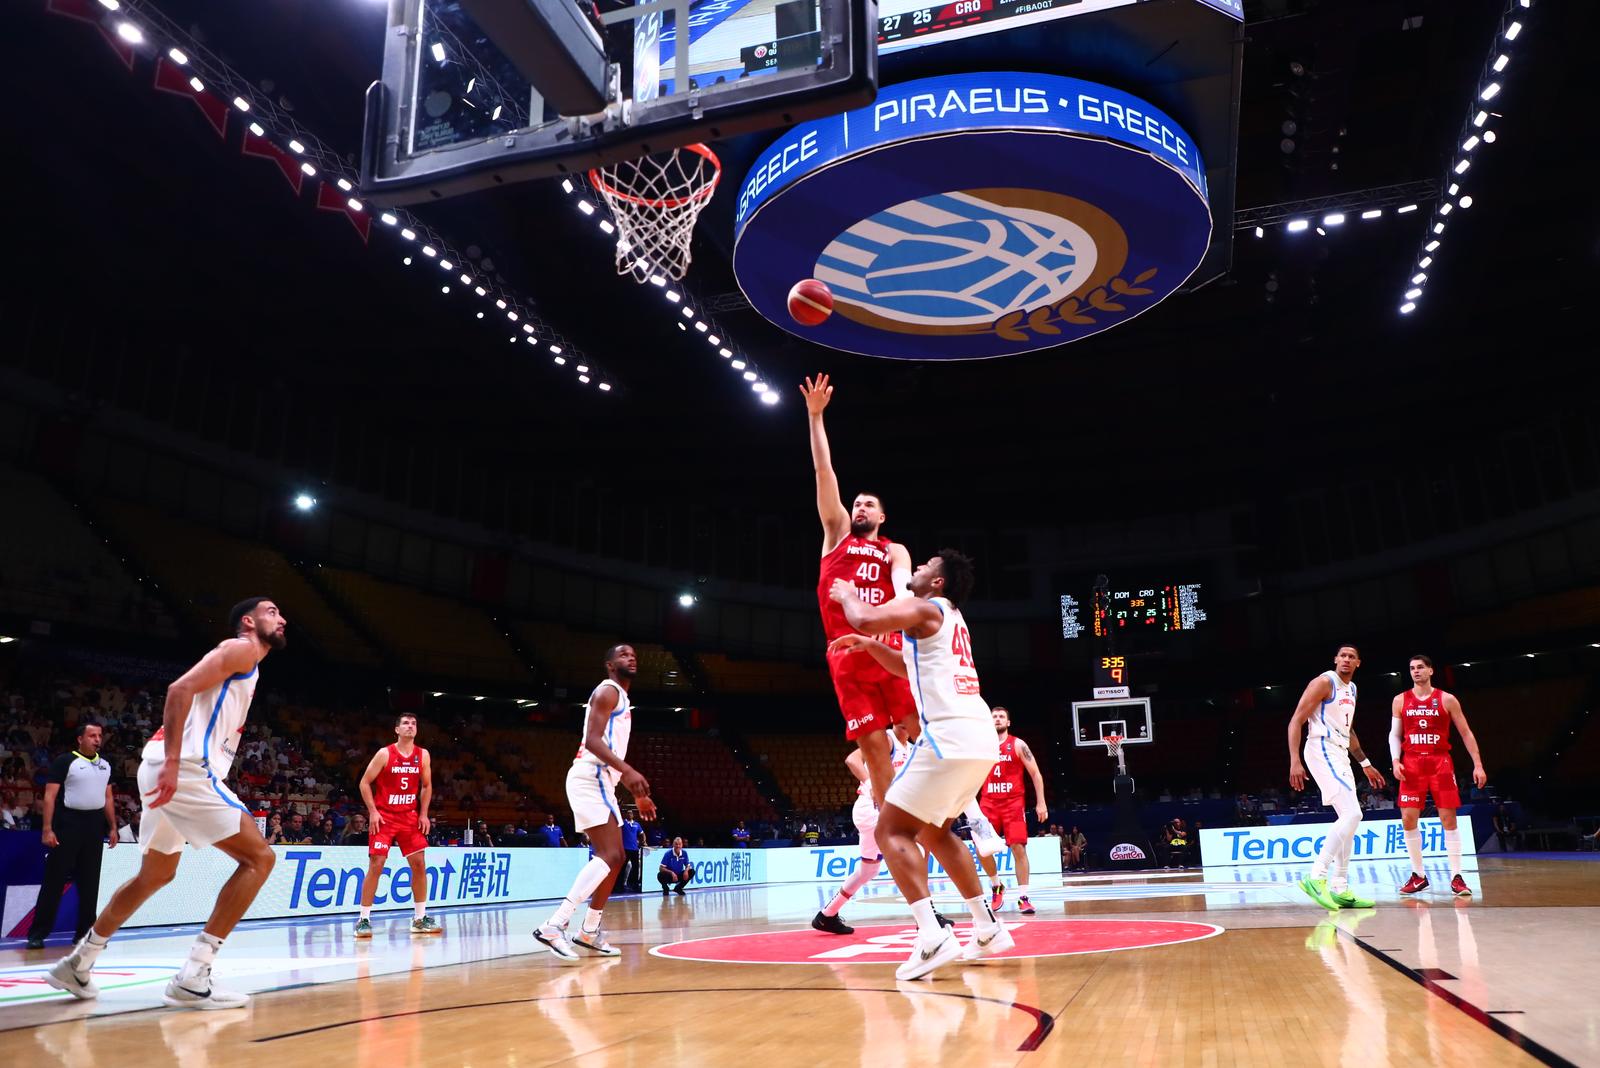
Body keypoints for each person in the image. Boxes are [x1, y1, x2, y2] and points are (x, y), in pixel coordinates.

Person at [48, 597, 286, 1009]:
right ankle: (194, 975)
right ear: (248, 622)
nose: (281, 619)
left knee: (155, 874)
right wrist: (176, 762)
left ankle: (80, 962)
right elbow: (179, 689)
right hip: (187, 769)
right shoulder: (241, 648)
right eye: (271, 612)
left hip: (162, 767)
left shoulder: (248, 664)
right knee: (259, 859)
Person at [828, 550, 1011, 980]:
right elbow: (907, 668)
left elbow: (866, 617)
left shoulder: (923, 606)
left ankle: (932, 935)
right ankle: (987, 927)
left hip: (948, 737)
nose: (919, 569)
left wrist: (850, 596)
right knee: (936, 831)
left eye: (928, 565)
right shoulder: (950, 619)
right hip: (979, 739)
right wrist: (871, 646)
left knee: (890, 828)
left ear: (938, 582)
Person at [801, 374, 917, 814]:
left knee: (921, 731)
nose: (860, 507)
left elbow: (905, 589)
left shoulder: (894, 549)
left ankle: (951, 813)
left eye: (869, 504)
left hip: (886, 648)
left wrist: (880, 614)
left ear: (883, 516)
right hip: (846, 654)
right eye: (857, 503)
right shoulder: (836, 536)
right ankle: (895, 828)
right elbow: (823, 472)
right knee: (873, 748)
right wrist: (816, 418)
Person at [535, 645, 655, 962]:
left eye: (633, 654)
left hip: (604, 782)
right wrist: (628, 772)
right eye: (624, 654)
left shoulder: (622, 697)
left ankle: (589, 930)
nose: (631, 657)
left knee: (615, 859)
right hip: (591, 776)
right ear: (610, 665)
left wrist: (637, 793)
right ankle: (555, 924)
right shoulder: (607, 690)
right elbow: (592, 740)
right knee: (611, 854)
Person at [1287, 644, 1387, 911]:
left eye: (1351, 657)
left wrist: (1364, 762)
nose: (1346, 659)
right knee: (1354, 815)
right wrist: (1295, 760)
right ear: (1335, 660)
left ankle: (1340, 887)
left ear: (1358, 663)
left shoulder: (1352, 689)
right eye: (1342, 655)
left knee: (1349, 819)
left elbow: (1349, 730)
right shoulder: (1323, 682)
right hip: (1320, 748)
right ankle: (1316, 876)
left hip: (1340, 753)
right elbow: (1296, 720)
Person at [1392, 655, 1487, 898]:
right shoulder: (1400, 700)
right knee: (1408, 818)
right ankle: (1419, 876)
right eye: (1412, 668)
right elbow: (1394, 735)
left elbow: (1465, 733)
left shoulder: (1446, 699)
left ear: (1431, 670)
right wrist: (1395, 760)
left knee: (1448, 819)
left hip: (1440, 762)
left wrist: (1478, 764)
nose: (1416, 671)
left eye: (1420, 667)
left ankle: (1456, 877)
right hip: (1411, 762)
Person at [813, 721, 914, 934]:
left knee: (869, 869)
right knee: (912, 853)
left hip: (882, 809)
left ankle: (826, 915)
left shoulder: (912, 748)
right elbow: (852, 759)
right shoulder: (887, 739)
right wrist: (872, 785)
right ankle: (927, 916)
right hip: (873, 809)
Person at [26, 720, 118, 949]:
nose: (97, 739)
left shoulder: (106, 764)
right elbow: (49, 797)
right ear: (80, 739)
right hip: (68, 823)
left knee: (90, 883)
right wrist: (47, 828)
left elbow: (108, 798)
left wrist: (113, 827)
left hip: (94, 826)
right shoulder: (65, 761)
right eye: (92, 735)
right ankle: (38, 933)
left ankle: (85, 934)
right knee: (54, 881)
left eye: (99, 735)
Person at [354, 713, 440, 938]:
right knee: (377, 863)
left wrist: (423, 814)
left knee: (419, 864)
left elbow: (427, 786)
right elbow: (364, 782)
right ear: (397, 730)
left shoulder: (423, 755)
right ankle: (363, 919)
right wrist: (372, 811)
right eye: (406, 723)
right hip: (384, 816)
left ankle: (419, 919)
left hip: (409, 816)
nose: (410, 726)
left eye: (414, 723)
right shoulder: (385, 753)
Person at [973, 706, 1048, 914]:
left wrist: (1041, 802)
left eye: (1001, 717)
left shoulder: (1017, 744)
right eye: (994, 717)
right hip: (987, 803)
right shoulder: (981, 746)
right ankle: (997, 885)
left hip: (1013, 803)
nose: (997, 719)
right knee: (982, 848)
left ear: (1008, 722)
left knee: (1018, 848)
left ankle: (1023, 897)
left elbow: (1036, 773)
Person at [621, 810, 644, 891]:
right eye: (628, 813)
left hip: (634, 849)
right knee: (623, 868)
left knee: (636, 868)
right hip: (625, 849)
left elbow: (642, 833)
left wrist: (643, 841)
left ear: (633, 815)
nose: (629, 814)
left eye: (631, 813)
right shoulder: (623, 823)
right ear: (625, 814)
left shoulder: (637, 824)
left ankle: (635, 885)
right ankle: (621, 885)